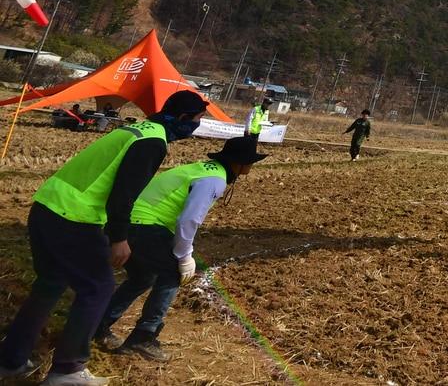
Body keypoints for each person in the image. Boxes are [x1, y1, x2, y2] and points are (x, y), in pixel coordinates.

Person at [0, 90, 209, 385]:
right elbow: (124, 193)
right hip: (75, 217)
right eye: (198, 119)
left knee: (50, 284)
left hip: (47, 206)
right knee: (98, 288)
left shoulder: (135, 129)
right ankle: (68, 370)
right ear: (184, 119)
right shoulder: (153, 141)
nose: (197, 126)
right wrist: (118, 237)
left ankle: (11, 359)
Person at [93, 136, 267, 363]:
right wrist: (184, 256)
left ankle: (98, 325)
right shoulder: (214, 180)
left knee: (143, 277)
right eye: (251, 162)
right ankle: (144, 336)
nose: (252, 167)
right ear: (241, 163)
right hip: (145, 225)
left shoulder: (203, 169)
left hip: (130, 223)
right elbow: (188, 221)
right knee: (172, 273)